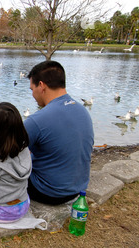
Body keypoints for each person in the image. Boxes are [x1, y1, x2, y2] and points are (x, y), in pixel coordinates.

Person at [24, 60, 94, 205]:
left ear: (41, 86)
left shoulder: (37, 120)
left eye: (32, 89)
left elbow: (6, 153)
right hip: (77, 190)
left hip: (48, 193)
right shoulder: (82, 111)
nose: (32, 94)